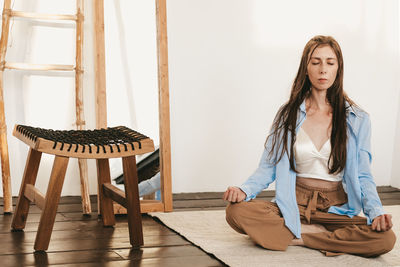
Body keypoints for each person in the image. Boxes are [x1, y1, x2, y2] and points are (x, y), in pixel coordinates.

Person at [223, 35, 396, 257]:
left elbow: (363, 176)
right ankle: (313, 233)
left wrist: (376, 212)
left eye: (330, 63)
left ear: (338, 69)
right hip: (292, 204)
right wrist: (244, 190)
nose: (323, 69)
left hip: (335, 209)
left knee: (384, 239)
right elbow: (268, 166)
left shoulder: (358, 119)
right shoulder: (288, 115)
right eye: (316, 62)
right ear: (306, 68)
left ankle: (300, 237)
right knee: (236, 212)